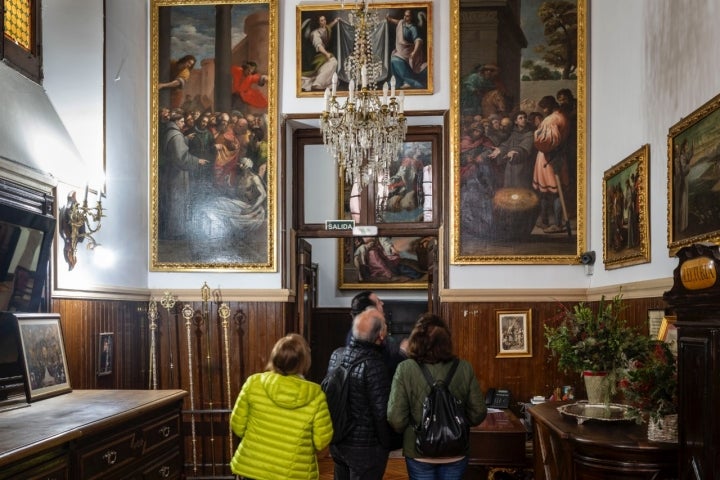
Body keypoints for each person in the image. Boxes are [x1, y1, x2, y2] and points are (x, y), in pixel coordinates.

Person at [387, 313, 487, 480]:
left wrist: (414, 427)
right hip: (456, 449)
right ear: (446, 341)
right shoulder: (464, 367)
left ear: (416, 340)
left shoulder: (405, 369)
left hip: (419, 451)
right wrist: (456, 421)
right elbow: (478, 413)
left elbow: (396, 419)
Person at [229, 333, 333, 480]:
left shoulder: (253, 383)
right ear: (304, 361)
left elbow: (238, 426)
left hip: (254, 469)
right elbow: (321, 440)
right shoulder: (315, 395)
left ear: (275, 356)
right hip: (294, 473)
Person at [326, 308, 393, 479]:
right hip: (366, 450)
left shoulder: (336, 355)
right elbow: (381, 413)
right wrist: (387, 445)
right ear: (380, 336)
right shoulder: (375, 365)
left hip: (338, 442)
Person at [531, 95, 571, 233]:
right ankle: (547, 221)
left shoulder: (550, 120)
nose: (543, 111)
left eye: (544, 108)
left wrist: (536, 133)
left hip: (548, 159)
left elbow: (545, 143)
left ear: (547, 107)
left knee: (550, 192)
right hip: (561, 157)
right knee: (556, 191)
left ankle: (554, 223)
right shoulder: (563, 117)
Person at [386, 10, 428, 89]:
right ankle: (398, 81)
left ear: (411, 17)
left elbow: (418, 41)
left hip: (409, 51)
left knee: (396, 59)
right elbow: (398, 22)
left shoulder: (413, 28)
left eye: (408, 16)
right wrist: (389, 19)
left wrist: (414, 53)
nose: (405, 17)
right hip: (401, 51)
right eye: (405, 15)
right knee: (394, 57)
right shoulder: (402, 23)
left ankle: (409, 81)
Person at [301, 14, 340, 92]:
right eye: (321, 20)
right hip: (314, 56)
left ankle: (323, 82)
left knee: (333, 62)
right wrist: (326, 54)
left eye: (324, 19)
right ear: (318, 22)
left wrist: (335, 21)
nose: (324, 22)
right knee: (333, 62)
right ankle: (317, 83)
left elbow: (328, 27)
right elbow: (318, 46)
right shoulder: (315, 33)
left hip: (322, 54)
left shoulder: (325, 28)